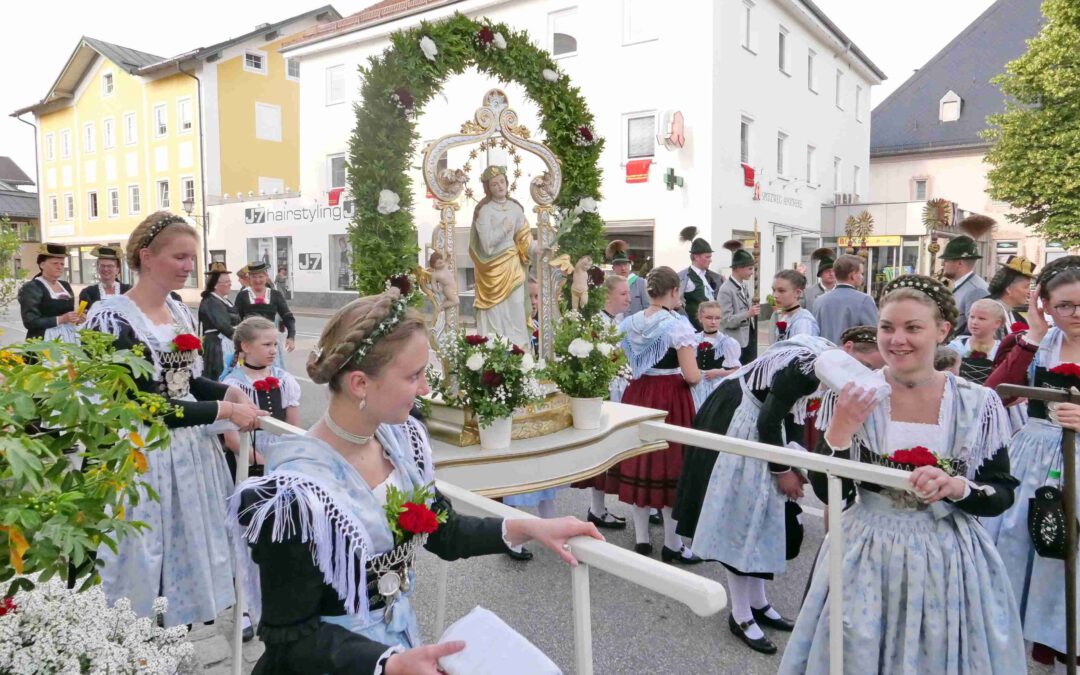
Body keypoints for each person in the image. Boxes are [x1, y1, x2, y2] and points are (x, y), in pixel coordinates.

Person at [229, 283, 601, 673]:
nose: (424, 389)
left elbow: (444, 531)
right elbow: (289, 638)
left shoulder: (400, 442)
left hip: (398, 647)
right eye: (414, 376)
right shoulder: (293, 495)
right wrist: (387, 664)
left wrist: (528, 527)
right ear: (359, 384)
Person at [780, 274, 1023, 674]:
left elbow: (1001, 492)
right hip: (866, 550)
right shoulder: (855, 393)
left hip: (948, 555)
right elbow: (830, 495)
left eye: (913, 328)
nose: (897, 340)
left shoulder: (975, 403)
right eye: (887, 327)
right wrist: (839, 431)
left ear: (943, 330)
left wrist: (959, 487)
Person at [85, 211, 266, 627]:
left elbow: (189, 381)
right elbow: (141, 402)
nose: (189, 267)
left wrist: (228, 391)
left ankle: (177, 633)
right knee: (147, 556)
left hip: (190, 451)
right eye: (180, 257)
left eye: (192, 258)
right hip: (143, 453)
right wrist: (224, 410)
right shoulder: (112, 317)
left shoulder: (179, 311)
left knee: (188, 548)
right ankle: (137, 638)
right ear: (146, 257)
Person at [677, 333, 843, 655]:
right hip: (739, 421)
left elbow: (788, 416)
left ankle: (758, 602)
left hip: (752, 416)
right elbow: (769, 421)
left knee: (765, 517)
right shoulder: (807, 371)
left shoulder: (820, 359)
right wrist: (783, 471)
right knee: (744, 516)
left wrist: (795, 458)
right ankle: (740, 614)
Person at [983, 255, 1080, 665]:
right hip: (1034, 460)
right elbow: (992, 398)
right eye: (1064, 306)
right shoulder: (1036, 341)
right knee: (1029, 549)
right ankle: (1032, 653)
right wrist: (1035, 334)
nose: (1075, 314)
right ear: (1045, 305)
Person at [593, 267, 702, 564]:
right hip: (668, 395)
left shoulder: (629, 323)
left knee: (642, 462)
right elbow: (691, 376)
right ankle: (672, 542)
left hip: (637, 393)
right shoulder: (677, 325)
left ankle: (642, 538)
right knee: (670, 465)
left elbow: (618, 362)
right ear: (674, 291)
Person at [222, 316, 302, 472]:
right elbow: (232, 440)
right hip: (247, 457)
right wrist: (264, 464)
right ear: (245, 346)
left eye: (275, 344)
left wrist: (285, 460)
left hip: (281, 454)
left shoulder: (284, 380)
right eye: (266, 345)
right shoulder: (233, 385)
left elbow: (293, 429)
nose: (273, 350)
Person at [469, 165, 534, 349]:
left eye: (502, 182)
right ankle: (496, 349)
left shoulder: (516, 209)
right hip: (491, 269)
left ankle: (520, 350)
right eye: (494, 184)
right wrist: (504, 228)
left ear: (507, 183)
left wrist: (536, 248)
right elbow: (487, 246)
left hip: (513, 265)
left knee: (516, 305)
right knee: (495, 312)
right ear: (488, 188)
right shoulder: (485, 211)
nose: (499, 186)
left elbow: (524, 239)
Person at [235, 261, 296, 369]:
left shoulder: (275, 295)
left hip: (270, 341)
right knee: (247, 371)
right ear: (249, 278)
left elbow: (287, 317)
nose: (258, 280)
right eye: (254, 277)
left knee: (272, 374)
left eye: (261, 276)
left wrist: (291, 337)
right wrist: (239, 348)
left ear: (266, 276)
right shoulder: (242, 296)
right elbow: (236, 322)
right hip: (250, 342)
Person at [18, 243, 82, 342]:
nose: (59, 267)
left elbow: (68, 315)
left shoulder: (65, 285)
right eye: (55, 263)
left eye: (62, 264)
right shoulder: (32, 287)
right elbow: (30, 322)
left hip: (68, 338)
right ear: (42, 265)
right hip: (42, 340)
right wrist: (60, 319)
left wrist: (76, 318)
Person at [811, 254, 878, 345]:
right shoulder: (864, 300)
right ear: (853, 275)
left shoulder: (819, 301)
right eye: (861, 273)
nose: (862, 277)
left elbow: (814, 334)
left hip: (824, 355)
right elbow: (873, 335)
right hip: (853, 356)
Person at [689, 301, 741, 412]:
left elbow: (737, 371)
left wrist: (717, 372)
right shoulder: (693, 339)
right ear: (700, 318)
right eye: (709, 318)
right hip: (695, 386)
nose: (713, 322)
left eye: (717, 318)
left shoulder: (727, 343)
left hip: (716, 386)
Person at [718, 240, 760, 363]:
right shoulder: (726, 290)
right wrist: (748, 314)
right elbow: (726, 321)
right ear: (738, 269)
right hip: (735, 343)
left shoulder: (744, 285)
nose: (752, 272)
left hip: (748, 338)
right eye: (749, 269)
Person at [946, 297, 1005, 384]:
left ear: (997, 323)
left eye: (981, 318)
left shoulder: (1002, 351)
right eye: (972, 317)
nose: (974, 322)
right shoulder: (955, 347)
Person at [940, 233, 989, 336]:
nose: (942, 264)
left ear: (960, 263)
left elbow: (973, 333)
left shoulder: (976, 291)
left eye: (946, 260)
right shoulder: (968, 285)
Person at [198, 262, 240, 381]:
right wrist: (241, 340)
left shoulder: (223, 300)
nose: (230, 284)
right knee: (220, 376)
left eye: (229, 281)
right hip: (217, 345)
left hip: (228, 342)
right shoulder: (211, 302)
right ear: (216, 285)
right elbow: (223, 325)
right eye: (226, 282)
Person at [677, 227, 723, 331]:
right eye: (707, 257)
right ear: (696, 257)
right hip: (694, 330)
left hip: (712, 328)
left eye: (710, 257)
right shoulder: (684, 278)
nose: (710, 260)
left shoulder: (712, 276)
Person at [988, 254, 1036, 334]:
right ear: (1009, 289)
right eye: (1026, 287)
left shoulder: (1016, 316)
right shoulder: (987, 312)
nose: (1029, 292)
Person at [77, 245, 131, 311]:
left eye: (110, 266)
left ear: (117, 269)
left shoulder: (128, 291)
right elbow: (80, 316)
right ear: (97, 268)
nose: (105, 269)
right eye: (102, 266)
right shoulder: (87, 293)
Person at [770, 269, 819, 341]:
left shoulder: (803, 322)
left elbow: (802, 350)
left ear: (797, 293)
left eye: (781, 291)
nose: (775, 295)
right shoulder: (786, 316)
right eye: (774, 290)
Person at [608, 240, 647, 315]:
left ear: (629, 266)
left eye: (625, 264)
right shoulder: (610, 285)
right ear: (613, 268)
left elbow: (647, 308)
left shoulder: (641, 283)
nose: (623, 268)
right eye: (619, 264)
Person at [801, 248, 836, 312]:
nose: (831, 274)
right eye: (827, 271)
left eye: (833, 271)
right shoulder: (808, 292)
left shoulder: (841, 291)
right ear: (820, 274)